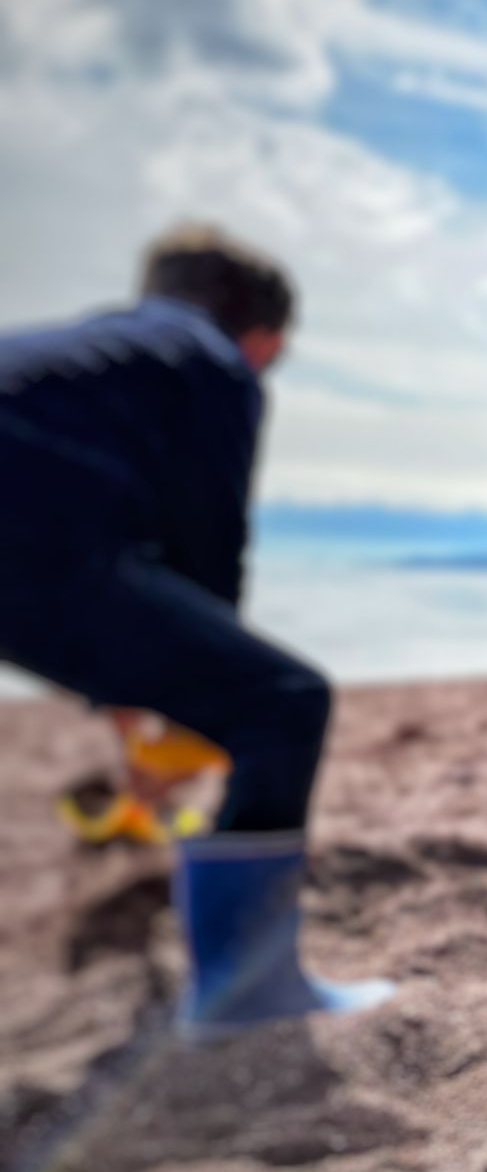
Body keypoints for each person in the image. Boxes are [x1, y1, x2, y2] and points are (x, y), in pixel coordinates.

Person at [0, 224, 392, 1040]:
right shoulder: (212, 365)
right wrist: (184, 724)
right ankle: (246, 994)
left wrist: (141, 709)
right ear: (263, 338)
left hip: (36, 526)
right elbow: (208, 573)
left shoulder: (94, 358)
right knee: (282, 702)